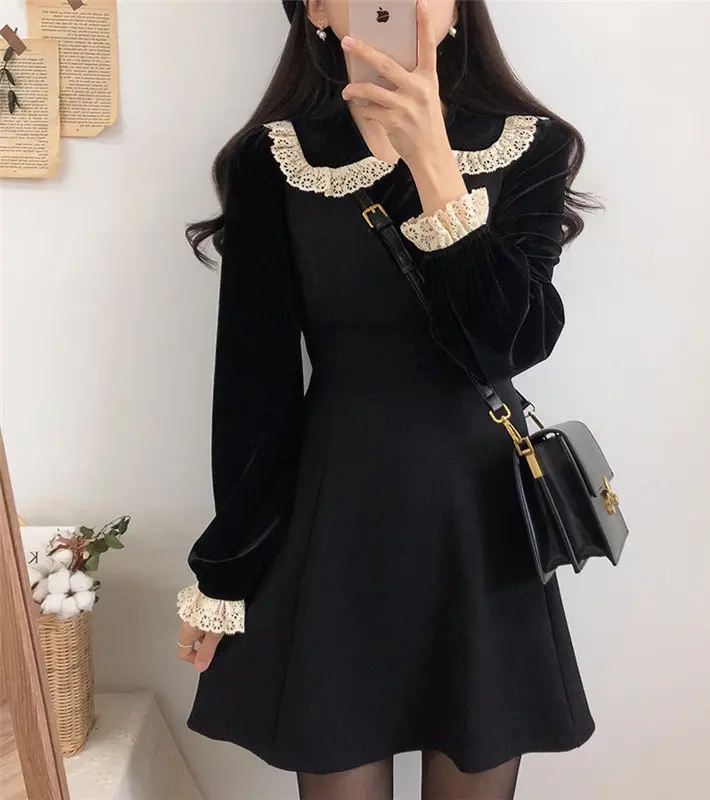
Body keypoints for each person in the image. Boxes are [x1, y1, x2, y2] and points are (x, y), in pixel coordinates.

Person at [175, 0, 600, 797]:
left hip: (480, 522)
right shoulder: (275, 159)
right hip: (335, 519)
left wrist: (434, 160)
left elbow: (514, 342)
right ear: (317, 9)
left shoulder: (532, 145)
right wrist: (224, 573)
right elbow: (254, 388)